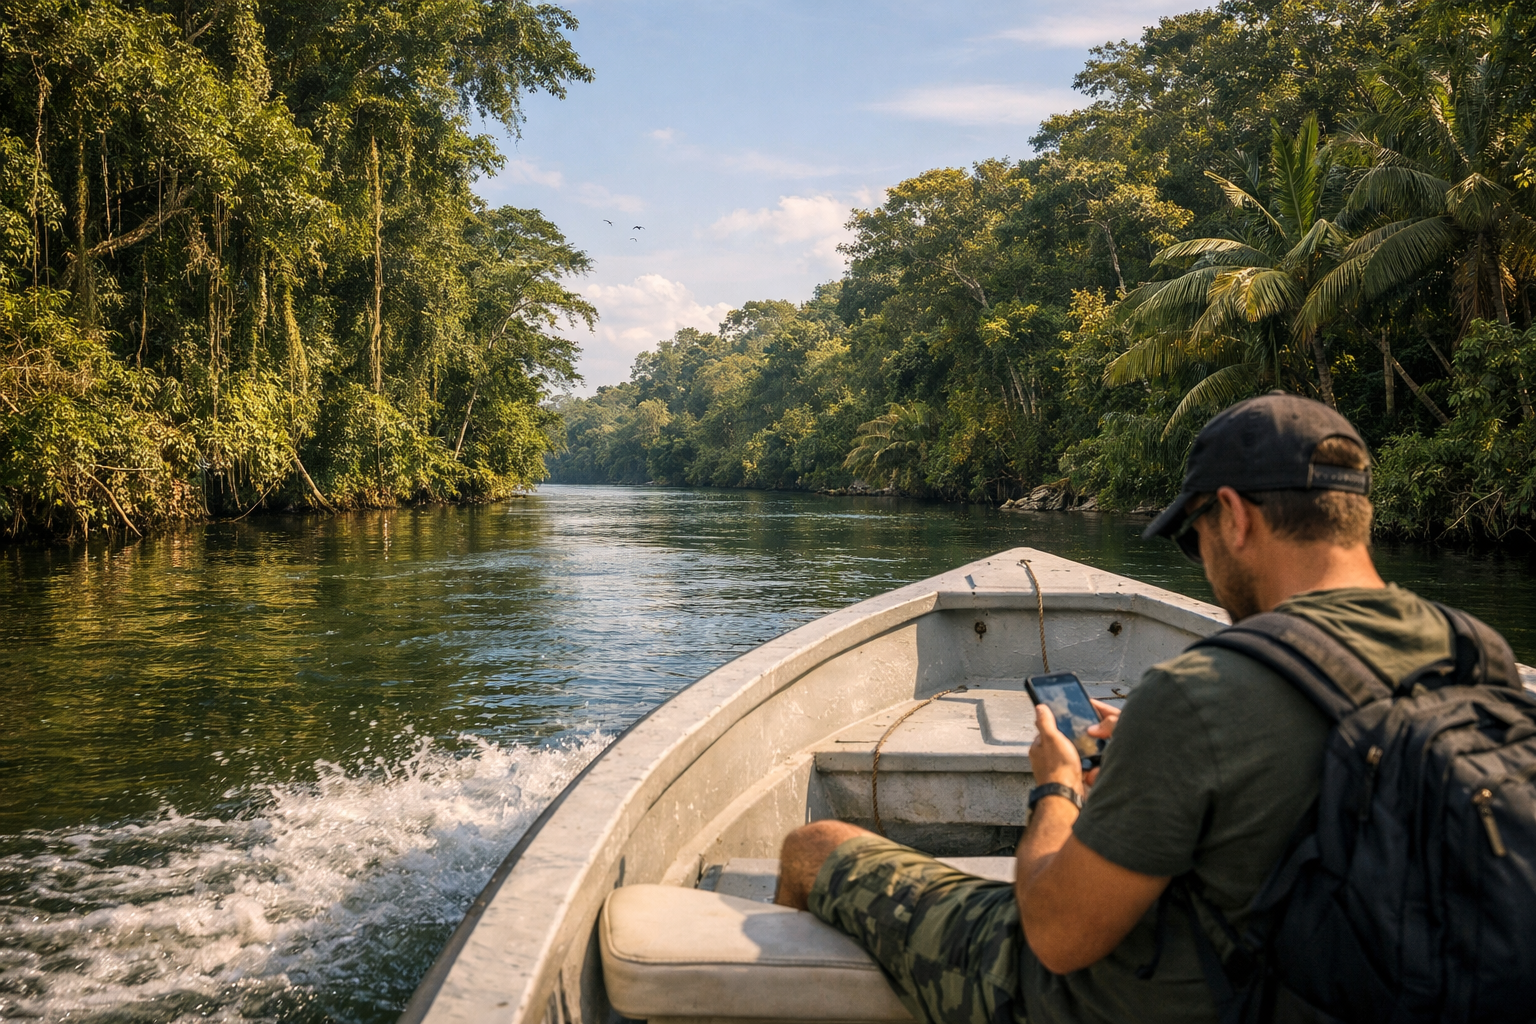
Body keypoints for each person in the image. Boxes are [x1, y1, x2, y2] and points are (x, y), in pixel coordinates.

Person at [773, 392, 1459, 1024]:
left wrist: (1057, 787)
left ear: (1236, 517)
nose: (1202, 562)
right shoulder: (1471, 654)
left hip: (1159, 998)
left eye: (1192, 536)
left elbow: (1055, 936)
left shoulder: (1199, 693)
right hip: (1372, 985)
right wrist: (1157, 753)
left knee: (814, 847)